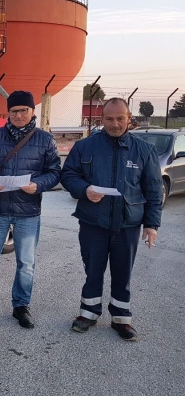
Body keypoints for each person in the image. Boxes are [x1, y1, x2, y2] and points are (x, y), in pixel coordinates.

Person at [61, 97, 162, 341]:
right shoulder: (85, 147)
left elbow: (153, 189)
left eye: (120, 118)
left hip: (127, 224)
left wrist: (151, 224)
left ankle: (121, 317)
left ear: (129, 119)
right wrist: (84, 190)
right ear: (101, 119)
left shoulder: (144, 150)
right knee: (92, 269)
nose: (114, 124)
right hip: (93, 222)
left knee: (122, 271)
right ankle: (88, 312)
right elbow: (68, 175)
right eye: (109, 119)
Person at [0, 90, 61, 328]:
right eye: (14, 111)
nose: (19, 115)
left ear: (33, 111)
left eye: (24, 110)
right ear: (8, 113)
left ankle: (21, 306)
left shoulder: (45, 140)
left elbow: (55, 172)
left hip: (28, 211)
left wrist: (38, 185)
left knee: (26, 262)